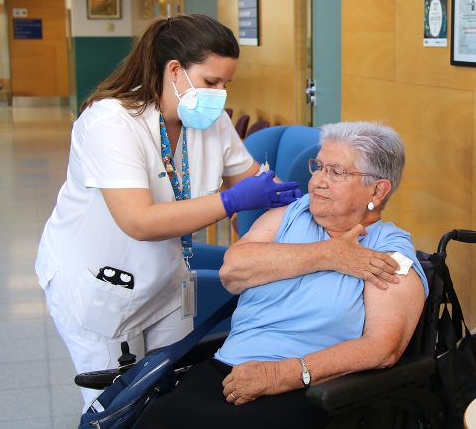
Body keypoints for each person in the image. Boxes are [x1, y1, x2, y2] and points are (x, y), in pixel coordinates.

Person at [34, 14, 302, 407]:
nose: (220, 94)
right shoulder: (111, 122)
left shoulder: (209, 123)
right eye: (211, 82)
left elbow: (252, 181)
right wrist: (230, 201)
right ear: (175, 70)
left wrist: (308, 200)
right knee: (116, 405)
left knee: (168, 394)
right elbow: (138, 221)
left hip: (166, 280)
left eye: (226, 83)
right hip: (99, 283)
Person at [137, 121, 428, 429]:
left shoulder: (389, 251)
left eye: (336, 172)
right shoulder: (291, 215)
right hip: (226, 369)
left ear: (378, 190)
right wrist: (327, 254)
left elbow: (382, 348)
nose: (317, 181)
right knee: (156, 420)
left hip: (308, 386)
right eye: (318, 166)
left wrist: (280, 375)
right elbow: (232, 271)